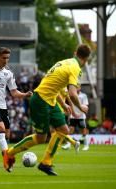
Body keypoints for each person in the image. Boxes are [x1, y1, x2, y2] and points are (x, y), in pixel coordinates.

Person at [6, 44, 91, 175]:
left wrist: (63, 105)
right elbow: (73, 94)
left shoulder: (64, 62)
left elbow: (54, 86)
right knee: (41, 138)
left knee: (63, 130)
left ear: (75, 53)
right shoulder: (75, 68)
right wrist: (81, 107)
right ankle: (9, 153)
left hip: (51, 100)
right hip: (40, 100)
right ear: (86, 60)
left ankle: (46, 163)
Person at [62, 85, 90, 151]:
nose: (76, 88)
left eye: (77, 87)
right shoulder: (70, 95)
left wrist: (80, 114)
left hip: (81, 116)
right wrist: (70, 115)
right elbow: (70, 106)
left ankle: (86, 145)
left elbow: (85, 106)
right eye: (75, 87)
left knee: (83, 131)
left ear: (80, 88)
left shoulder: (84, 95)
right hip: (73, 116)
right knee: (70, 130)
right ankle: (68, 145)